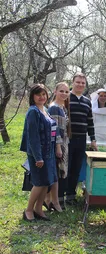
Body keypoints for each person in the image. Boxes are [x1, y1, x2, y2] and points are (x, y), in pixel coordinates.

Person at [20, 84, 56, 221]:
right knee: (39, 183)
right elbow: (33, 136)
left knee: (46, 182)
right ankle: (28, 210)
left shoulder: (45, 110)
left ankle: (38, 209)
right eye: (38, 94)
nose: (41, 97)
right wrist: (38, 157)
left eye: (44, 94)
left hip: (49, 152)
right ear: (33, 96)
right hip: (38, 153)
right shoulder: (33, 111)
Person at [61, 72, 97, 206]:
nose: (80, 85)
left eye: (83, 83)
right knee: (65, 167)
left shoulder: (87, 101)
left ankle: (71, 195)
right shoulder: (66, 97)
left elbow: (90, 122)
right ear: (73, 83)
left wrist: (93, 139)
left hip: (81, 139)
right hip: (67, 138)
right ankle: (60, 196)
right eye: (78, 82)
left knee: (76, 167)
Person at [46, 82, 71, 212]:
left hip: (64, 143)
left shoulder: (62, 107)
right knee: (57, 173)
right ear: (55, 92)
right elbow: (54, 130)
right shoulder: (54, 107)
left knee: (59, 173)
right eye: (61, 91)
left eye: (66, 92)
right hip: (57, 144)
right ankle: (49, 200)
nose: (64, 94)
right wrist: (58, 147)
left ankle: (52, 201)